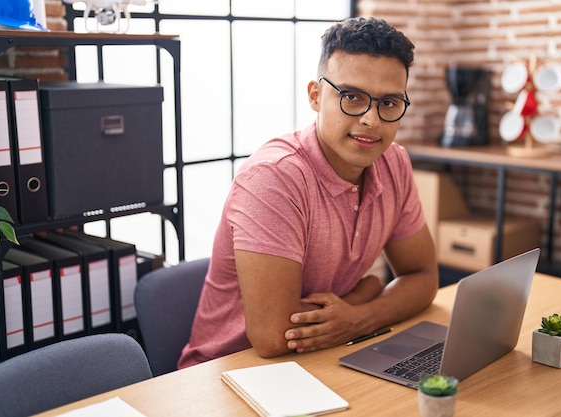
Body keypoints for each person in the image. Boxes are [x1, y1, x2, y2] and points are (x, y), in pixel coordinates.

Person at [178, 16, 438, 368]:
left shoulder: (394, 163)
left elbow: (423, 279)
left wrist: (358, 316)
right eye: (351, 97)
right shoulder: (274, 178)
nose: (371, 120)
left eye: (389, 103)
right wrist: (368, 290)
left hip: (327, 356)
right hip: (229, 372)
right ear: (316, 96)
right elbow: (273, 336)